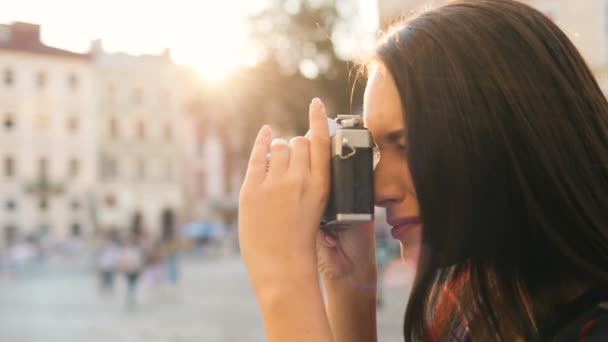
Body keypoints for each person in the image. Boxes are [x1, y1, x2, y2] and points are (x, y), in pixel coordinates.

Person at [237, 0, 608, 341]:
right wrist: (349, 279)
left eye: (409, 144)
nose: (379, 189)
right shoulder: (470, 299)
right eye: (378, 150)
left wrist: (282, 282)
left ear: (505, 133)